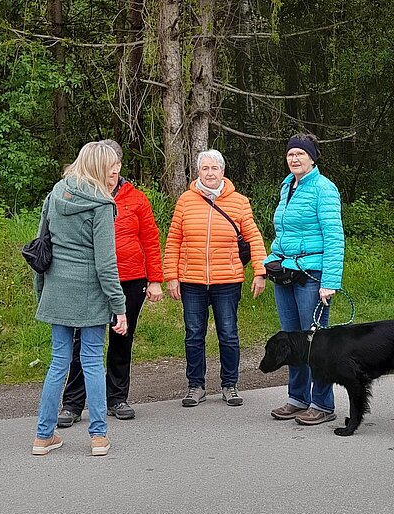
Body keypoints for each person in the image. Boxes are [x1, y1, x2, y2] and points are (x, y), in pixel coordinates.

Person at [57, 139, 163, 427]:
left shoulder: (137, 198)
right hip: (90, 280)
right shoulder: (80, 195)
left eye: (117, 164)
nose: (114, 171)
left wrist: (155, 280)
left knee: (121, 339)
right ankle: (73, 403)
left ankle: (117, 398)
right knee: (83, 341)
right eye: (109, 165)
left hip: (130, 279)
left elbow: (151, 240)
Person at [32, 142, 127, 457]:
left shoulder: (56, 193)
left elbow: (40, 248)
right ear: (100, 167)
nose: (116, 171)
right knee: (91, 362)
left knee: (58, 362)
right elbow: (105, 264)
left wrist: (40, 291)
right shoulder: (101, 203)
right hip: (89, 295)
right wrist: (119, 307)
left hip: (57, 291)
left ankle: (43, 436)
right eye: (112, 165)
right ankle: (98, 436)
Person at [164, 149, 267, 408]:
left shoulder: (239, 202)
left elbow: (254, 238)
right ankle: (195, 386)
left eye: (214, 168)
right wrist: (171, 276)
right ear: (198, 172)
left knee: (229, 334)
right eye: (205, 169)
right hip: (192, 281)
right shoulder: (185, 201)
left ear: (223, 171)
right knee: (194, 334)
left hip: (227, 281)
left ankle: (230, 385)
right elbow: (174, 240)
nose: (210, 173)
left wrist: (260, 271)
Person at [264, 132, 345, 425]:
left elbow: (335, 238)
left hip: (313, 275)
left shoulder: (324, 189)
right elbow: (283, 234)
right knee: (291, 339)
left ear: (312, 157)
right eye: (290, 154)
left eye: (300, 153)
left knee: (315, 341)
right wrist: (269, 262)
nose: (294, 159)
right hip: (287, 273)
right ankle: (297, 398)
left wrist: (330, 281)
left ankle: (322, 404)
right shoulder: (288, 187)